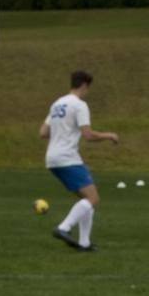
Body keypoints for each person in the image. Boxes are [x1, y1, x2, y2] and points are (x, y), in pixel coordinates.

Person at [39, 70, 119, 252]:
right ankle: (63, 228)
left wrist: (62, 130)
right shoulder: (79, 105)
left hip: (52, 158)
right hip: (68, 157)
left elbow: (43, 132)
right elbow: (88, 135)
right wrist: (109, 135)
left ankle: (84, 243)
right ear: (84, 85)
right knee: (93, 198)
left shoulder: (57, 103)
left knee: (86, 199)